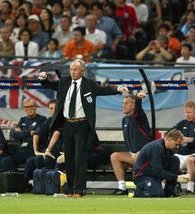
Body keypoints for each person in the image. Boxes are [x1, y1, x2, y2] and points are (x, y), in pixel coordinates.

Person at [38, 59, 129, 198]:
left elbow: (104, 89)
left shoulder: (89, 85)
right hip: (67, 124)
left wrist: (118, 89)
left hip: (82, 124)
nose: (72, 72)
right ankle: (70, 189)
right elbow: (50, 85)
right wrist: (43, 79)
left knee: (79, 157)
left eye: (75, 69)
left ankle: (79, 190)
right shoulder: (64, 82)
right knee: (68, 157)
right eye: (71, 69)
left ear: (82, 71)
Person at [110, 91, 153, 195]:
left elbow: (139, 108)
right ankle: (122, 188)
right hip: (132, 154)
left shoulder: (139, 117)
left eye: (127, 103)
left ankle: (141, 188)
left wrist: (138, 99)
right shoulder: (124, 120)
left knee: (136, 157)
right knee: (114, 156)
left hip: (145, 154)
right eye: (123, 103)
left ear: (133, 106)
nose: (123, 106)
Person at [133, 129, 190, 197]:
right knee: (157, 194)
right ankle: (138, 192)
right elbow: (157, 171)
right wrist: (176, 178)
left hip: (153, 175)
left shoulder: (168, 149)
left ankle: (169, 192)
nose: (177, 147)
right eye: (176, 144)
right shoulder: (157, 147)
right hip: (143, 176)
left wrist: (179, 176)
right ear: (169, 139)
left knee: (175, 159)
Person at [1, 99, 46, 181]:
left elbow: (38, 134)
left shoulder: (42, 120)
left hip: (34, 150)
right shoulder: (23, 120)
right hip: (21, 150)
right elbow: (15, 135)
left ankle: (25, 183)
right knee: (5, 160)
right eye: (26, 107)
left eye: (31, 106)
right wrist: (29, 133)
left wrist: (22, 133)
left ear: (35, 107)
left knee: (30, 162)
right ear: (24, 109)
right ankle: (17, 181)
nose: (29, 109)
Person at [173, 101, 195, 194]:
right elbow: (170, 134)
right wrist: (176, 137)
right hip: (181, 154)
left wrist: (191, 139)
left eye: (190, 113)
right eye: (186, 113)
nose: (187, 115)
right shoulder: (182, 123)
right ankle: (163, 187)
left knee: (190, 160)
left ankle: (190, 188)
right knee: (167, 159)